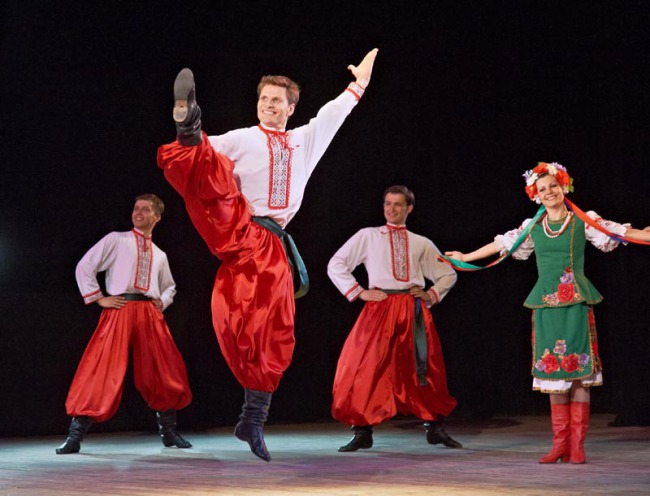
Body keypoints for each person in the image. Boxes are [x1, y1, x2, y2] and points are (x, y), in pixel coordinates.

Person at [157, 49, 379, 462]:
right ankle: (189, 127)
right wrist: (192, 140)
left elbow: (333, 115)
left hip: (273, 246)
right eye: (263, 99)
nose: (268, 105)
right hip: (238, 227)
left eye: (277, 100)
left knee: (272, 333)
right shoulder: (243, 137)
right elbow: (201, 163)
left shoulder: (304, 140)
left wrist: (359, 84)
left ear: (291, 107)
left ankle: (253, 418)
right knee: (212, 171)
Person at [445, 162, 650, 464]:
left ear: (564, 186)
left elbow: (618, 231)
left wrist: (644, 235)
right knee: (553, 370)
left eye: (553, 185)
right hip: (545, 306)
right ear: (535, 195)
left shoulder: (582, 221)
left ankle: (577, 446)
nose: (549, 192)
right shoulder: (533, 226)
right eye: (542, 189)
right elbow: (502, 244)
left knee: (579, 373)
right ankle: (559, 444)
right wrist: (465, 256)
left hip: (576, 303)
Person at [327, 185, 462, 452]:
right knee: (363, 366)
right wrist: (359, 292)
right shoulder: (368, 236)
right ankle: (362, 430)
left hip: (411, 309)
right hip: (380, 307)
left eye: (398, 204)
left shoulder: (420, 242)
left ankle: (434, 427)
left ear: (409, 208)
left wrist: (430, 294)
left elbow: (448, 273)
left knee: (423, 367)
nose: (391, 209)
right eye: (388, 203)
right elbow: (336, 264)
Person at [56, 194, 192, 454]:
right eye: (136, 208)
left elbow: (170, 286)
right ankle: (75, 435)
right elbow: (85, 266)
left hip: (148, 313)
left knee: (163, 368)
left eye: (145, 209)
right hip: (120, 308)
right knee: (101, 367)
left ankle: (169, 431)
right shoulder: (116, 240)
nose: (138, 212)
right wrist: (98, 298)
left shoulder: (160, 254)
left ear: (157, 217)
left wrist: (161, 302)